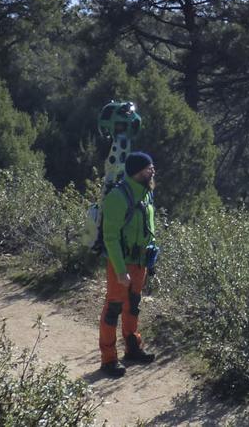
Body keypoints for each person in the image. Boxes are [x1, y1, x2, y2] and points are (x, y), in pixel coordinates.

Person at [98, 151, 158, 377]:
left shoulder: (147, 195)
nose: (152, 171)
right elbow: (110, 237)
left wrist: (151, 260)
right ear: (136, 171)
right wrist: (121, 270)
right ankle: (108, 360)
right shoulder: (117, 197)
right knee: (113, 308)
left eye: (151, 167)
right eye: (147, 168)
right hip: (120, 262)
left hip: (140, 262)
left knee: (132, 306)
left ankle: (133, 348)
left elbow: (148, 230)